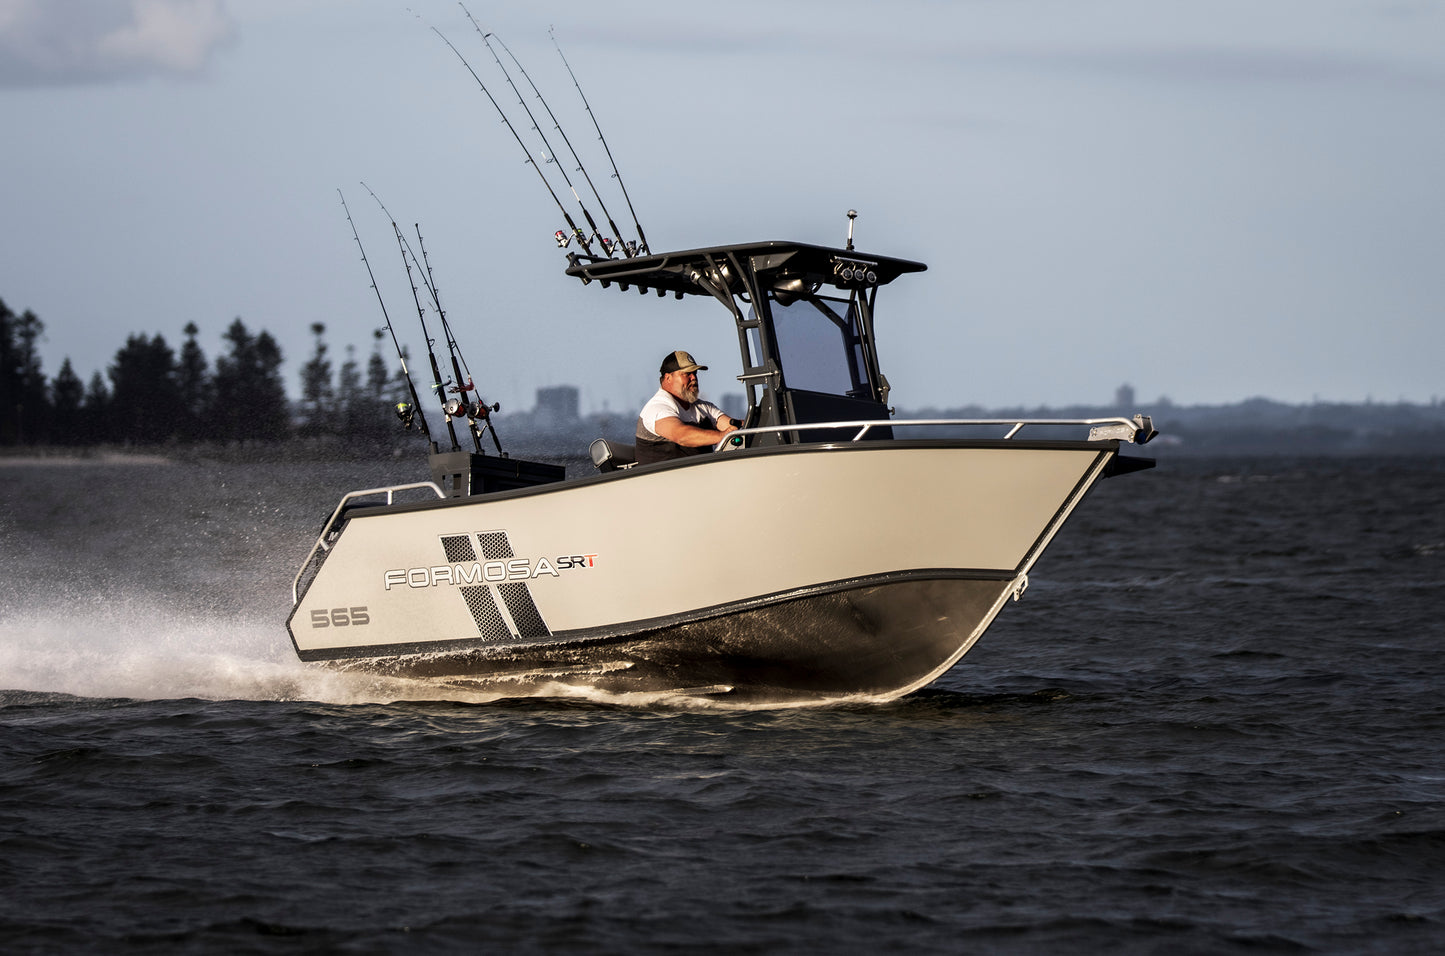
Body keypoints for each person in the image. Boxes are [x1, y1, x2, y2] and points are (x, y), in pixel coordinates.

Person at [635, 350, 738, 465]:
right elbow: (682, 436)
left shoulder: (703, 407)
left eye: (695, 373)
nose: (693, 377)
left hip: (699, 476)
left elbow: (732, 426)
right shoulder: (658, 408)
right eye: (687, 374)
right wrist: (721, 436)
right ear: (668, 378)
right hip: (663, 480)